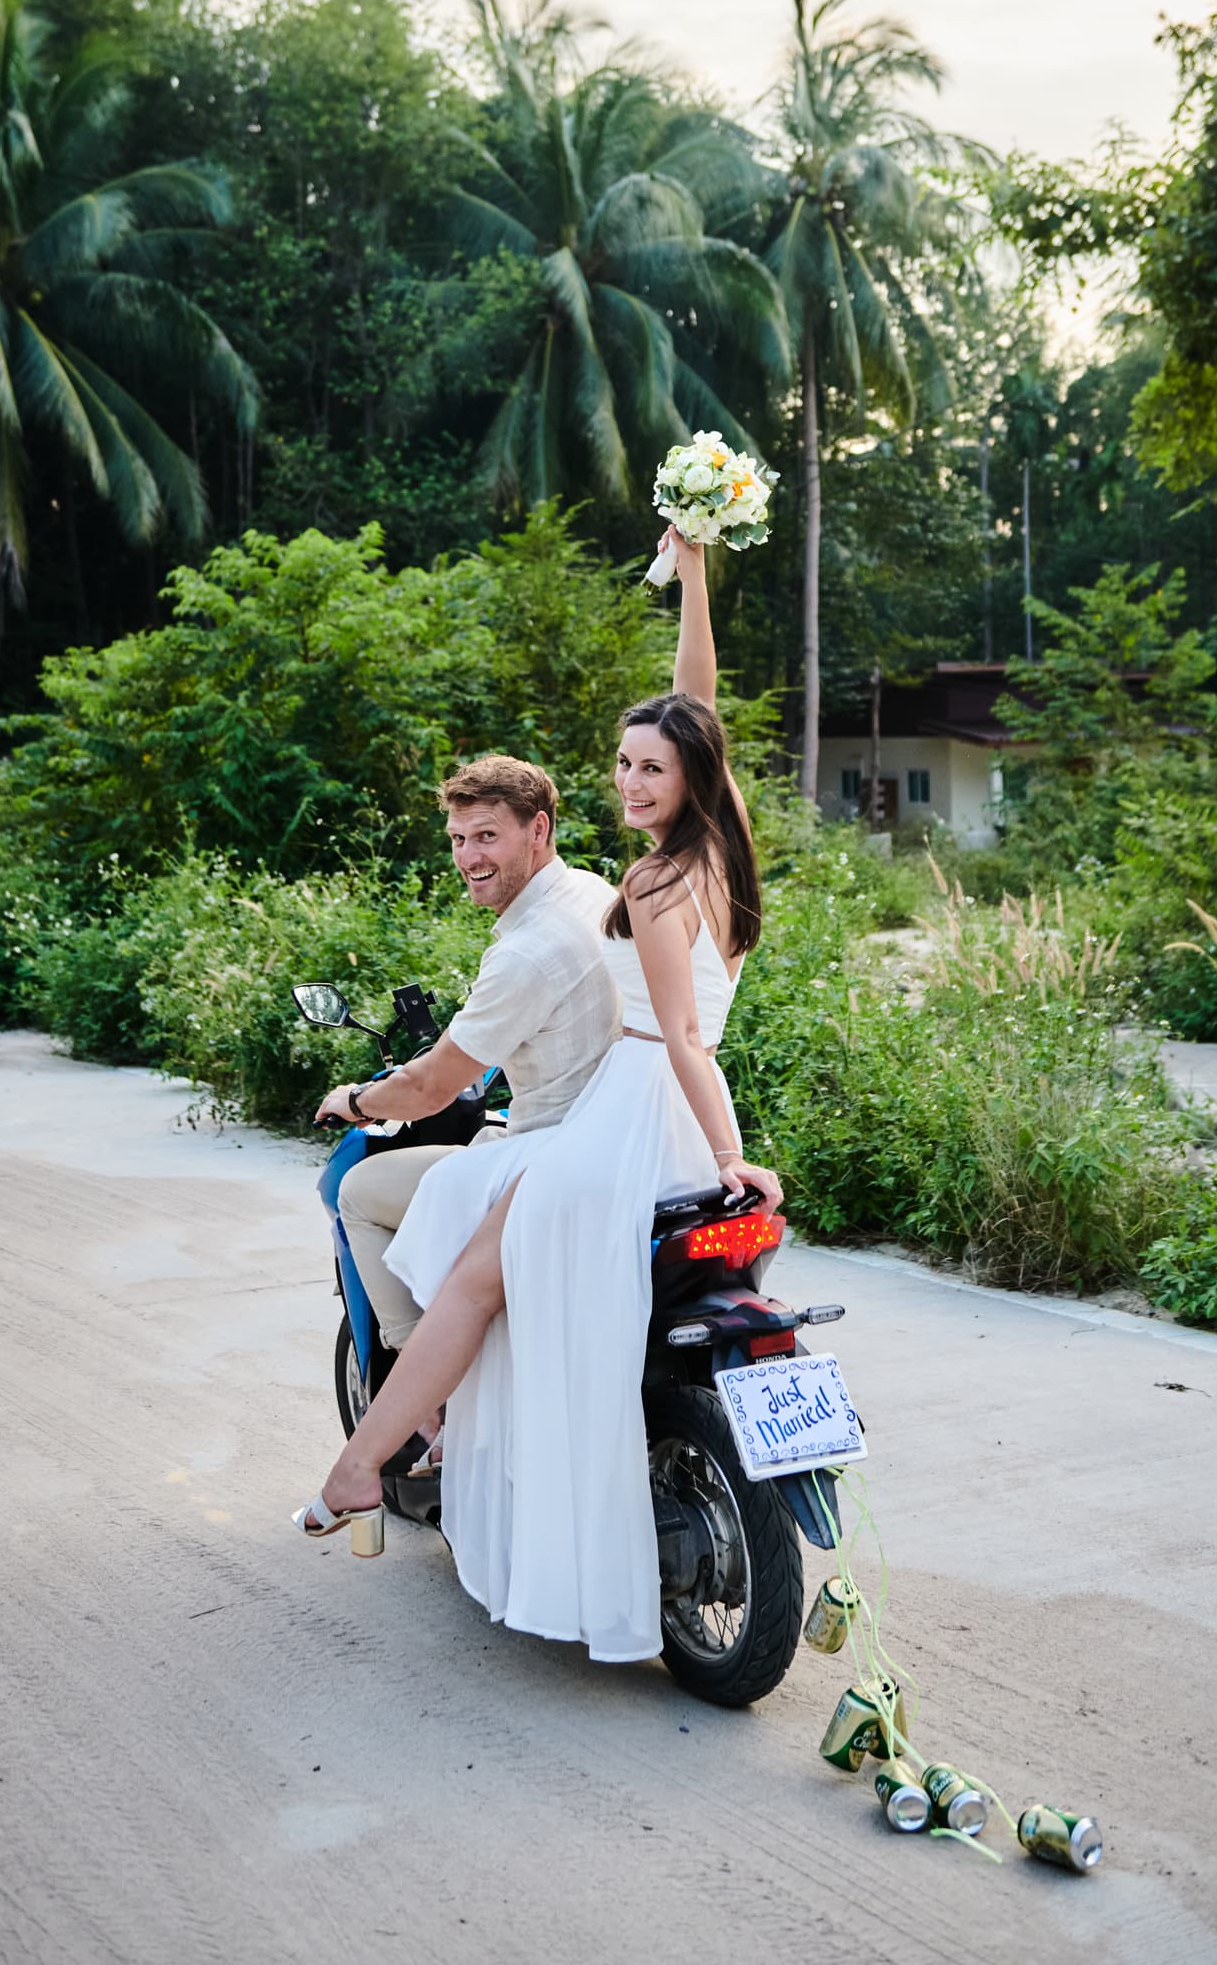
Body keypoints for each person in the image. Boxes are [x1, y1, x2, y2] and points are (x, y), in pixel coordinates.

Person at [295, 529, 782, 1667]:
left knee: (469, 1269)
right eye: (621, 764)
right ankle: (382, 1458)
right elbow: (695, 701)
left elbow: (686, 1045)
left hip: (633, 1111)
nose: (629, 780)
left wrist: (730, 1158)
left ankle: (368, 1462)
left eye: (648, 769)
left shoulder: (656, 881)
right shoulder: (718, 847)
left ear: (688, 779)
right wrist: (696, 573)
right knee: (480, 1264)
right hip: (646, 1111)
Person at [318, 754, 620, 1364]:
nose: (467, 857)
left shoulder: (527, 951)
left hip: (550, 1157)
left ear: (538, 830)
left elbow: (430, 1090)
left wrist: (354, 1100)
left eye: (486, 836)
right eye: (458, 839)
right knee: (481, 1137)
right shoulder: (593, 893)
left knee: (356, 1192)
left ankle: (424, 1393)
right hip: (616, 1138)